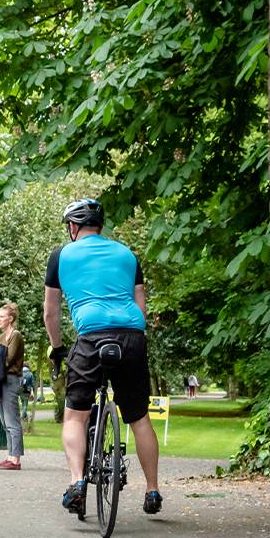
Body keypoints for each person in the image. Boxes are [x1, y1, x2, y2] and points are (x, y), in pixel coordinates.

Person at [43, 197, 162, 517]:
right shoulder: (128, 255)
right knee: (139, 418)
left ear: (72, 227)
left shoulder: (61, 256)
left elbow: (50, 312)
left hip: (92, 338)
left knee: (75, 416)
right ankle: (152, 490)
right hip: (131, 337)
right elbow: (141, 307)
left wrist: (57, 348)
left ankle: (77, 482)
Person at [0, 301, 27, 470]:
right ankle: (10, 456)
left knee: (12, 421)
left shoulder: (15, 335)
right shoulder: (3, 337)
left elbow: (8, 359)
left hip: (11, 380)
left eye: (2, 317)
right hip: (1, 380)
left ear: (10, 319)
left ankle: (16, 460)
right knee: (4, 421)